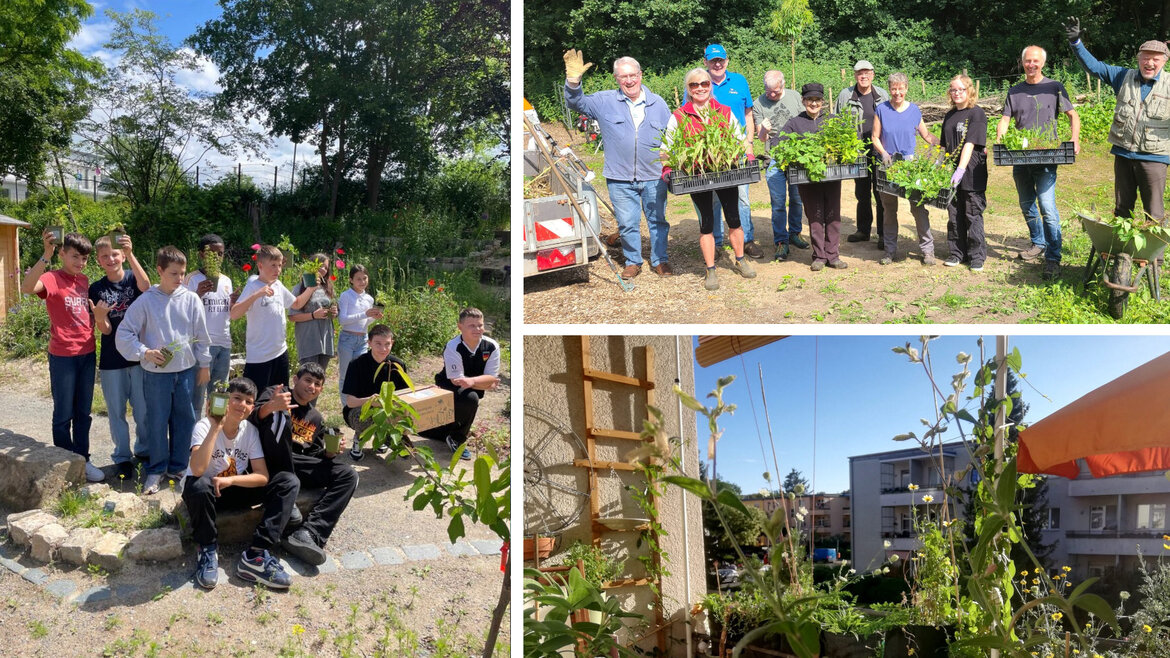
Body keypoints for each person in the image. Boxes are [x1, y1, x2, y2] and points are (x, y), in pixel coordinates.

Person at [563, 51, 673, 278]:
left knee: (658, 221)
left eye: (633, 75)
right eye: (624, 77)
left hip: (653, 175)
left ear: (641, 75)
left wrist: (670, 158)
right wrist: (573, 81)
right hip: (619, 177)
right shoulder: (605, 101)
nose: (629, 80)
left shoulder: (658, 103)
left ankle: (660, 260)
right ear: (616, 79)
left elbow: (671, 136)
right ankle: (633, 261)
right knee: (627, 223)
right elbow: (576, 102)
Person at [181, 376, 297, 590]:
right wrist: (216, 427)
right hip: (207, 495)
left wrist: (231, 479)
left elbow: (262, 476)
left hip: (232, 487)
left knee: (288, 481)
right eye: (236, 398)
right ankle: (207, 549)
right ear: (226, 399)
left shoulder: (249, 430)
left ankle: (256, 555)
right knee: (198, 484)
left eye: (248, 401)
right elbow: (197, 469)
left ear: (253, 407)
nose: (242, 405)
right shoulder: (203, 425)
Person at [116, 246, 212, 494]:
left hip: (186, 372)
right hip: (156, 375)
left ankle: (179, 466)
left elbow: (201, 334)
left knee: (185, 419)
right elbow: (124, 333)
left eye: (182, 273)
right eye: (173, 273)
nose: (179, 279)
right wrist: (145, 352)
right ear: (159, 270)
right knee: (157, 421)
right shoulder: (146, 300)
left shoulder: (190, 299)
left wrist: (204, 363)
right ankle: (157, 469)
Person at [250, 363, 358, 568]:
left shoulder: (316, 418)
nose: (312, 386)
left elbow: (314, 456)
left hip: (297, 465)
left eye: (317, 384)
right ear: (295, 379)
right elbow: (251, 418)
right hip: (268, 459)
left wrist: (329, 453)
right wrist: (272, 406)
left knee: (348, 475)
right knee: (282, 424)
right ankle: (285, 502)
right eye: (308, 380)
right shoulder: (278, 393)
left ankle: (309, 532)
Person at [1066, 17, 1170, 226]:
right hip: (1123, 155)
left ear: (1164, 61)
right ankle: (1122, 254)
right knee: (1123, 209)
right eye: (1145, 58)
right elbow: (1094, 67)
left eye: (1155, 59)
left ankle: (1153, 259)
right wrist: (1076, 43)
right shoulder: (1123, 76)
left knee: (1155, 213)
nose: (1149, 63)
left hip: (1155, 158)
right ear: (1138, 59)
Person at [662, 68, 758, 291]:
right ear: (689, 89)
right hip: (697, 177)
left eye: (704, 83)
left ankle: (740, 259)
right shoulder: (680, 115)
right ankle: (711, 268)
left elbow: (739, 137)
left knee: (733, 218)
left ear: (710, 86)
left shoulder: (723, 111)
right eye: (694, 85)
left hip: (726, 171)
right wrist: (667, 168)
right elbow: (667, 147)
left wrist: (749, 154)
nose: (700, 88)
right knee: (706, 223)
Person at [20, 231, 103, 482]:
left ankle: (82, 460)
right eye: (75, 256)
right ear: (62, 253)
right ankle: (63, 462)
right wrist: (45, 255)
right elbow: (26, 288)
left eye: (85, 258)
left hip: (87, 353)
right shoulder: (52, 278)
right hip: (62, 356)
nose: (80, 262)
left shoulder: (84, 281)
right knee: (62, 413)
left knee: (83, 413)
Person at [996, 45, 1082, 280]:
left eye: (1035, 61)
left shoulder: (1054, 87)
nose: (1031, 64)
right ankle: (1038, 242)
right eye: (1027, 61)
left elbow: (1073, 115)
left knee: (1047, 205)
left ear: (1042, 63)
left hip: (1047, 156)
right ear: (1022, 62)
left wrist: (1074, 138)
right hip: (1020, 156)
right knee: (1026, 204)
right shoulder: (1014, 91)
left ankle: (1053, 257)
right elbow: (1004, 120)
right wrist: (1000, 140)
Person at [88, 232, 152, 481]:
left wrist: (131, 252)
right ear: (98, 261)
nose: (110, 259)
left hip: (138, 357)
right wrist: (100, 317)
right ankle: (122, 457)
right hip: (112, 361)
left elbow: (146, 287)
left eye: (115, 254)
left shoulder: (132, 279)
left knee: (143, 410)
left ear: (122, 255)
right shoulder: (96, 288)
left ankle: (144, 452)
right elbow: (105, 330)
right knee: (116, 412)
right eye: (105, 256)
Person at [698, 44, 763, 259]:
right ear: (706, 62)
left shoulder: (739, 81)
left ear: (727, 61)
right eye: (713, 60)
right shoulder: (700, 83)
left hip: (738, 151)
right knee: (715, 197)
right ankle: (715, 242)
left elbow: (748, 115)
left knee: (742, 197)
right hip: (710, 154)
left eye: (721, 60)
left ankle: (746, 240)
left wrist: (750, 144)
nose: (717, 63)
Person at [872, 72, 942, 265]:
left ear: (906, 89)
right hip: (888, 165)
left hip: (911, 166)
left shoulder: (914, 111)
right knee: (889, 210)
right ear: (889, 89)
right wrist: (884, 153)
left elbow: (926, 135)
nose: (897, 92)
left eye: (901, 88)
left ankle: (928, 251)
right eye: (894, 89)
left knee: (918, 208)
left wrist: (943, 144)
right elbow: (875, 137)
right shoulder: (881, 110)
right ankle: (889, 251)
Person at [230, 245, 317, 391]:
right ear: (260, 266)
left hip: (280, 352)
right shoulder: (253, 285)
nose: (277, 270)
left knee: (280, 395)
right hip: (259, 356)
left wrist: (311, 288)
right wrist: (257, 294)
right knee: (256, 400)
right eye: (273, 266)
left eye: (279, 265)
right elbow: (234, 314)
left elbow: (296, 303)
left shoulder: (278, 284)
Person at [781, 83, 848, 271]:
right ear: (803, 101)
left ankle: (833, 255)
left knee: (833, 215)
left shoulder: (833, 120)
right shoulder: (794, 122)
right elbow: (779, 141)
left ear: (823, 102)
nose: (813, 103)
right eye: (810, 99)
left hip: (832, 176)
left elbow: (851, 137)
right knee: (815, 216)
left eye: (817, 100)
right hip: (807, 178)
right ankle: (819, 256)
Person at [427, 308, 499, 460]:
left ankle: (450, 434)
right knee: (470, 399)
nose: (477, 329)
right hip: (447, 384)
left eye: (480, 325)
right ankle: (457, 438)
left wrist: (474, 381)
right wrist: (483, 383)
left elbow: (491, 378)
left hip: (471, 384)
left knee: (471, 397)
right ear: (460, 327)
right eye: (471, 326)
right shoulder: (453, 346)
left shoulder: (492, 346)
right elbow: (457, 380)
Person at [753, 70, 809, 261]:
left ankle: (795, 233)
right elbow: (761, 136)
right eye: (768, 92)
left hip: (796, 156)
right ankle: (780, 241)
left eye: (775, 92)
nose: (772, 95)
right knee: (778, 203)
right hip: (774, 158)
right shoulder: (759, 103)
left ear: (783, 85)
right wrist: (764, 131)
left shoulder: (795, 97)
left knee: (797, 198)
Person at [838, 60, 890, 247]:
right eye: (860, 73)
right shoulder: (846, 95)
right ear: (855, 75)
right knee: (862, 193)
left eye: (867, 72)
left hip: (879, 150)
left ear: (873, 74)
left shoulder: (882, 95)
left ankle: (884, 234)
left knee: (881, 191)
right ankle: (863, 230)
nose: (864, 76)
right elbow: (838, 121)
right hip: (857, 152)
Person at [941, 74, 989, 271]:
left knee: (972, 213)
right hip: (952, 170)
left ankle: (977, 255)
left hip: (971, 171)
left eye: (961, 89)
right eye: (953, 90)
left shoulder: (976, 113)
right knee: (954, 213)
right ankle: (956, 253)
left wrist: (960, 169)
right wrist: (939, 167)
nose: (957, 93)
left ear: (969, 91)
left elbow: (969, 143)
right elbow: (944, 146)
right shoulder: (950, 115)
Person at [341, 324, 409, 457]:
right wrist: (371, 401)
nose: (383, 349)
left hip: (388, 410)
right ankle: (359, 438)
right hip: (359, 411)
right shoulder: (356, 364)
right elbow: (350, 402)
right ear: (369, 343)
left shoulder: (397, 365)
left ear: (392, 343)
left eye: (387, 344)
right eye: (378, 344)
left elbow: (405, 395)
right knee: (368, 415)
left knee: (406, 452)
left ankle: (383, 438)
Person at [185, 234, 234, 417]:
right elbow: (183, 311)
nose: (217, 258)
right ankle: (195, 438)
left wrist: (234, 303)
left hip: (224, 344)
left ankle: (216, 434)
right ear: (201, 255)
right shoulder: (192, 279)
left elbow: (227, 312)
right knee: (197, 398)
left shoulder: (226, 280)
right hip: (202, 345)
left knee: (220, 394)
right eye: (212, 254)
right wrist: (197, 294)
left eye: (220, 254)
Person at [336, 264, 382, 406]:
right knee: (345, 375)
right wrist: (365, 314)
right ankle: (346, 408)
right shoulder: (346, 296)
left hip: (363, 339)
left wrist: (374, 317)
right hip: (347, 339)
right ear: (351, 280)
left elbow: (364, 323)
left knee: (360, 373)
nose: (362, 282)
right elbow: (342, 320)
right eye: (358, 279)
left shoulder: (369, 298)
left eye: (365, 278)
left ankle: (358, 404)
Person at [289, 252, 337, 370]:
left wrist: (334, 312)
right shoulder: (299, 288)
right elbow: (292, 317)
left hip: (325, 339)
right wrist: (313, 315)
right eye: (321, 265)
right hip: (309, 339)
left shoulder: (328, 288)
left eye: (326, 267)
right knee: (308, 375)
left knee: (320, 377)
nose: (324, 270)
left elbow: (333, 310)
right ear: (312, 266)